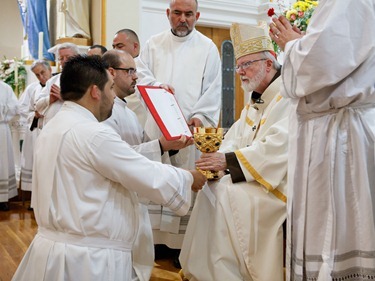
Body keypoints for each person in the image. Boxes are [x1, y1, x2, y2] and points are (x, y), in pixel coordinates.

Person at [12, 55, 206, 281]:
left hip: (54, 249)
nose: (113, 96)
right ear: (96, 91)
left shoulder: (54, 126)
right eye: (110, 88)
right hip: (89, 262)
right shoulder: (93, 133)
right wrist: (190, 178)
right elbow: (141, 171)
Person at [269, 1, 375, 280]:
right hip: (339, 126)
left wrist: (292, 45)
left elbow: (320, 63)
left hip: (339, 135)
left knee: (339, 230)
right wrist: (303, 45)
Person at [180, 22, 289, 281]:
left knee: (228, 192)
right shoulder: (255, 101)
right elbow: (235, 138)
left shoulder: (289, 95)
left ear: (268, 62)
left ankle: (231, 274)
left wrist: (228, 161)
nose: (239, 71)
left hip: (277, 184)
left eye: (246, 64)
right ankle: (204, 271)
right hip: (253, 176)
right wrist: (219, 162)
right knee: (212, 187)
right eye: (238, 65)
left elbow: (278, 147)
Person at [136, 0, 222, 255]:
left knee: (185, 180)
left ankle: (181, 248)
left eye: (188, 14)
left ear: (197, 15)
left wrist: (199, 117)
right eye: (177, 13)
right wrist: (158, 86)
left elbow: (213, 89)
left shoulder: (207, 48)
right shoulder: (153, 44)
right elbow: (140, 75)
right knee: (158, 179)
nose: (182, 18)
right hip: (158, 128)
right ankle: (155, 242)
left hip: (189, 131)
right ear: (168, 14)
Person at [102, 49, 194, 280]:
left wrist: (169, 145)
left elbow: (143, 150)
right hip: (116, 206)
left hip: (133, 205)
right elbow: (120, 160)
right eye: (130, 71)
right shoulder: (104, 115)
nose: (136, 76)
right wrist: (161, 146)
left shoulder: (128, 113)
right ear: (111, 73)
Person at [18, 60, 52, 196]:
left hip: (51, 131)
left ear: (49, 69)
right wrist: (35, 114)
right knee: (36, 164)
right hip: (36, 131)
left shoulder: (58, 84)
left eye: (43, 72)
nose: (41, 77)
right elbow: (22, 108)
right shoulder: (32, 88)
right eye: (37, 75)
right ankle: (35, 199)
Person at [35, 42, 79, 127]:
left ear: (77, 58)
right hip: (50, 127)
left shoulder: (85, 78)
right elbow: (37, 105)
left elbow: (88, 104)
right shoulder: (53, 81)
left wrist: (64, 97)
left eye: (68, 57)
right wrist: (49, 99)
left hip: (72, 126)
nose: (64, 61)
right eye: (61, 58)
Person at [0, 81, 19, 211]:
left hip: (1, 127)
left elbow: (14, 107)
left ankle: (2, 199)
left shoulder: (5, 88)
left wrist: (1, 110)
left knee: (2, 163)